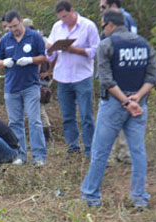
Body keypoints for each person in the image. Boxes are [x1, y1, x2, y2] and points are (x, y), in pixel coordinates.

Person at [81, 9, 156, 208]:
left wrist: (125, 102)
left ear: (109, 25)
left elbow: (106, 80)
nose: (103, 30)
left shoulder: (107, 44)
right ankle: (139, 198)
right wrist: (137, 98)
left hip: (115, 104)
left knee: (100, 150)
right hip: (139, 104)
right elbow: (153, 77)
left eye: (103, 26)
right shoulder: (144, 43)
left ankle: (91, 197)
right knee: (138, 151)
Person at [46, 1, 100, 157]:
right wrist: (50, 48)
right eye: (60, 17)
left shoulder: (88, 26)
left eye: (65, 16)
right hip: (62, 77)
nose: (63, 20)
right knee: (68, 116)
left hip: (82, 76)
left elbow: (96, 51)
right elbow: (51, 54)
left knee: (86, 115)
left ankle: (90, 149)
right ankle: (73, 148)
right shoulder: (57, 27)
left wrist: (73, 49)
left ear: (72, 11)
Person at [0, 10, 47, 166]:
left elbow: (44, 57)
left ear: (21, 21)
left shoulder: (34, 37)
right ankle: (20, 155)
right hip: (11, 88)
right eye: (10, 27)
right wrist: (4, 63)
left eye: (16, 25)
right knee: (15, 123)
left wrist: (31, 60)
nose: (14, 29)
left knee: (34, 121)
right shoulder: (5, 40)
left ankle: (39, 157)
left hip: (30, 86)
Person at [99, 0, 137, 164]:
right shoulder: (128, 18)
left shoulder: (121, 20)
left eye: (103, 7)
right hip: (125, 75)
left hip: (116, 75)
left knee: (110, 116)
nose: (101, 10)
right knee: (124, 113)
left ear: (112, 6)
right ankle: (124, 153)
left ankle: (109, 156)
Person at [23, 18, 53, 145]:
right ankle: (44, 139)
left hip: (41, 79)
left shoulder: (41, 40)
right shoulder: (33, 39)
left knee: (38, 109)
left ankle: (47, 139)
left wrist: (49, 72)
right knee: (35, 109)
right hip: (36, 78)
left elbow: (52, 55)